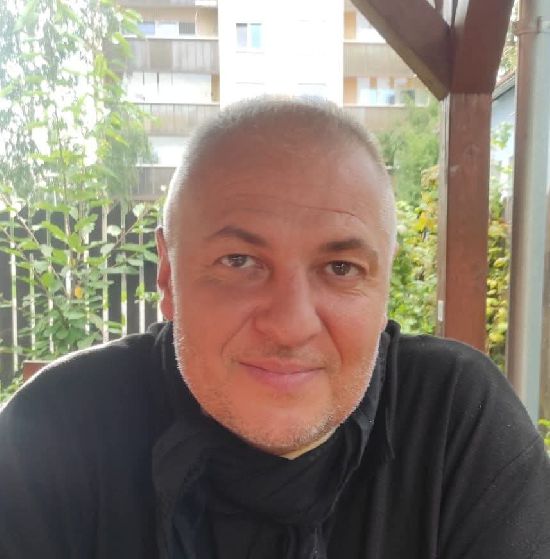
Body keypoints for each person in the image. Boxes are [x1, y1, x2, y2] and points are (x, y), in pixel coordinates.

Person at [1, 98, 549, 559]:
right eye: (239, 261)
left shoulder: (454, 420)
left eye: (341, 268)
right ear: (167, 274)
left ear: (384, 281)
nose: (290, 326)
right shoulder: (55, 432)